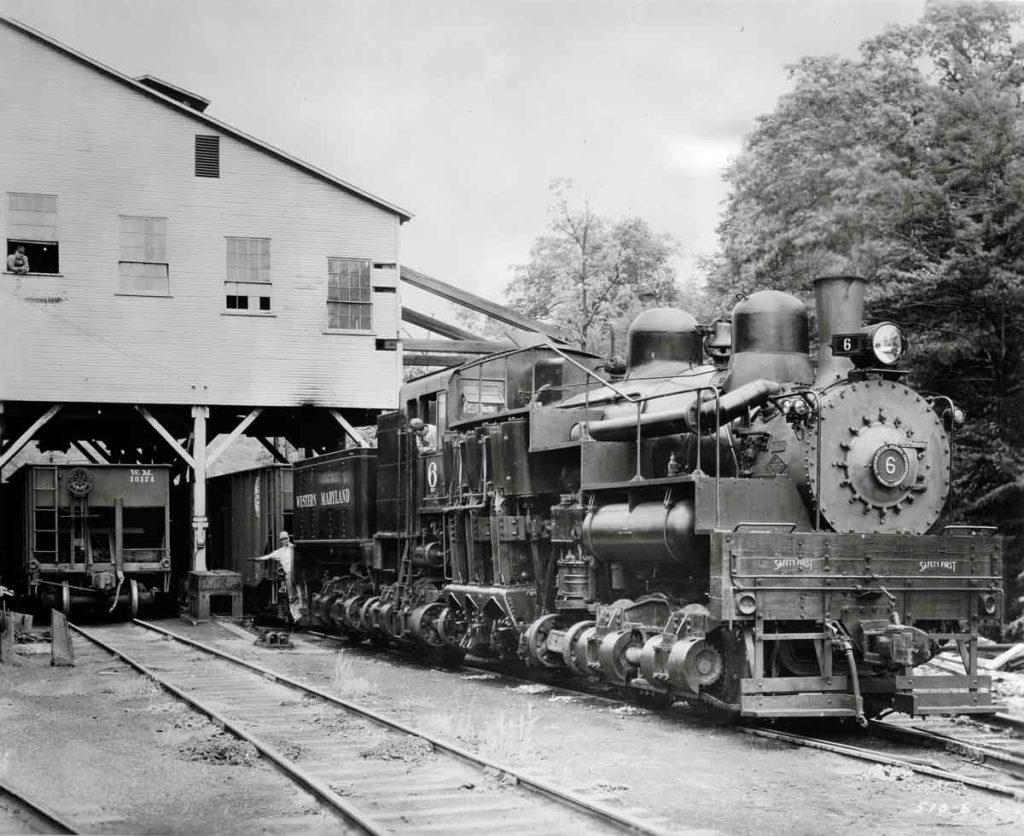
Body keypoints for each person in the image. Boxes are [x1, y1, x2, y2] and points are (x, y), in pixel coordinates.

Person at [250, 531, 305, 623]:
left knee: (301, 595)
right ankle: (296, 617)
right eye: (282, 539)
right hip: (289, 575)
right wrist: (258, 559)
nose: (285, 541)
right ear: (281, 541)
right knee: (292, 597)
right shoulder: (280, 552)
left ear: (289, 538)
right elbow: (269, 556)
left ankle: (302, 614)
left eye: (286, 538)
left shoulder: (295, 549)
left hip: (298, 574)